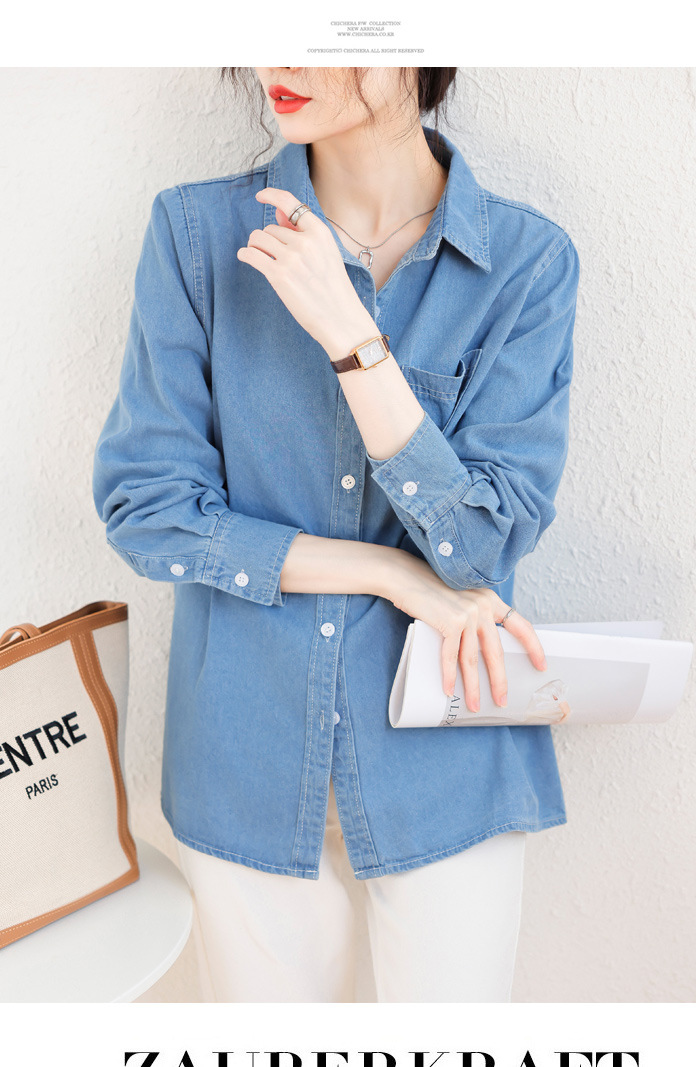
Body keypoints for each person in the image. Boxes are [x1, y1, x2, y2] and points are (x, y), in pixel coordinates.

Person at [92, 66, 581, 1003]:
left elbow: (481, 546)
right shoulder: (197, 235)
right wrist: (392, 574)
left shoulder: (525, 263)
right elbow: (149, 510)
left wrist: (354, 340)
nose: (278, 57)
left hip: (448, 755)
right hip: (245, 750)